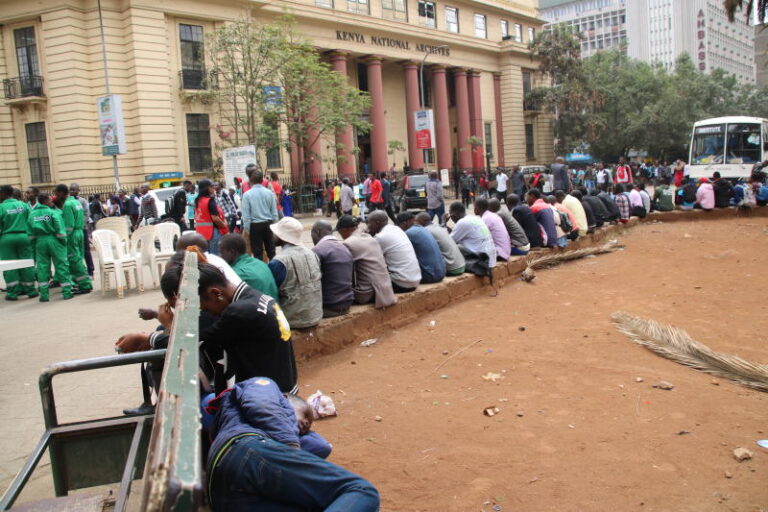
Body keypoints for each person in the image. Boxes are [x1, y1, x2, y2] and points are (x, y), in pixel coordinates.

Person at [204, 376, 380, 511]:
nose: (307, 424)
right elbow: (262, 405)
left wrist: (295, 436)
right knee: (361, 490)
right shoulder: (264, 385)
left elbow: (320, 447)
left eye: (308, 427)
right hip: (245, 450)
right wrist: (291, 445)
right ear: (285, 400)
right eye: (305, 416)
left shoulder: (279, 434)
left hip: (224, 491)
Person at [268, 217, 323, 328]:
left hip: (293, 320)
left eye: (276, 233)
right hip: (316, 315)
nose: (273, 235)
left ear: (282, 237)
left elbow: (271, 293)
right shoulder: (312, 254)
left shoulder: (279, 261)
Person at [335, 215, 396, 308]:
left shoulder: (348, 243)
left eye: (340, 233)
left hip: (366, 294)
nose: (341, 236)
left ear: (344, 230)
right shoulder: (370, 238)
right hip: (386, 290)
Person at [27, 194, 72, 301]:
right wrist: (63, 242)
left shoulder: (32, 214)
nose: (51, 202)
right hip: (54, 240)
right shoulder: (53, 213)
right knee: (61, 265)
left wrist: (34, 244)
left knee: (42, 268)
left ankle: (44, 295)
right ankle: (66, 293)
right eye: (50, 200)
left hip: (40, 242)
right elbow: (59, 229)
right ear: (46, 201)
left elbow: (30, 233)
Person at [366, 210, 421, 293]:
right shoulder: (396, 229)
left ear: (377, 223)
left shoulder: (380, 237)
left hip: (400, 283)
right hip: (415, 280)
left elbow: (367, 257)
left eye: (369, 223)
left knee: (366, 274)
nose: (368, 227)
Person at [53, 184, 93, 295]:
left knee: (75, 260)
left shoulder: (67, 204)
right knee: (78, 259)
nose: (55, 196)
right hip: (80, 232)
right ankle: (83, 283)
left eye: (56, 193)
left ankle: (85, 285)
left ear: (61, 193)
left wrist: (64, 238)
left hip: (73, 235)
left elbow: (69, 225)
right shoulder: (76, 202)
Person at [310, 220, 355, 317]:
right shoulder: (344, 248)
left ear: (317, 232)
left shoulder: (317, 250)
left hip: (329, 306)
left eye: (311, 234)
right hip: (347, 303)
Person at [0, 185, 37, 300]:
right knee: (26, 264)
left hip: (7, 238)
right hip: (24, 237)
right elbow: (32, 220)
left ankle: (13, 292)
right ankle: (30, 290)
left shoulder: (1, 207)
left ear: (3, 194)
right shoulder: (23, 205)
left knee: (10, 265)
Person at [219, 233, 279, 300]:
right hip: (274, 304)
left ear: (232, 252)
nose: (220, 256)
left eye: (221, 252)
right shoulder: (260, 263)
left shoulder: (236, 274)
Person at [395, 212, 445, 284]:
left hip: (429, 276)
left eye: (399, 227)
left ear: (405, 223)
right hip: (442, 273)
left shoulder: (408, 233)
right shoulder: (423, 229)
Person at [444, 202, 496, 266]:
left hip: (481, 263)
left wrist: (443, 223)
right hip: (490, 260)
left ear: (454, 214)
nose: (451, 218)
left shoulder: (462, 222)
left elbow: (448, 243)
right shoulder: (474, 218)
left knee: (452, 249)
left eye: (450, 214)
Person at [242, 170, 278, 261]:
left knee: (257, 253)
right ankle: (274, 267)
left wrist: (247, 230)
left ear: (251, 181)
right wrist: (275, 226)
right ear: (262, 180)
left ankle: (261, 268)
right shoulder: (269, 193)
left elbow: (246, 216)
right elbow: (274, 212)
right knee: (271, 251)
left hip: (255, 226)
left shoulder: (247, 195)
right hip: (268, 224)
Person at [194, 179, 228, 256]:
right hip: (212, 232)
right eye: (212, 186)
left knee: (205, 256)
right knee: (215, 256)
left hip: (200, 233)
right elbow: (215, 218)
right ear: (206, 188)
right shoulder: (209, 201)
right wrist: (224, 225)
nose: (214, 188)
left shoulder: (197, 200)